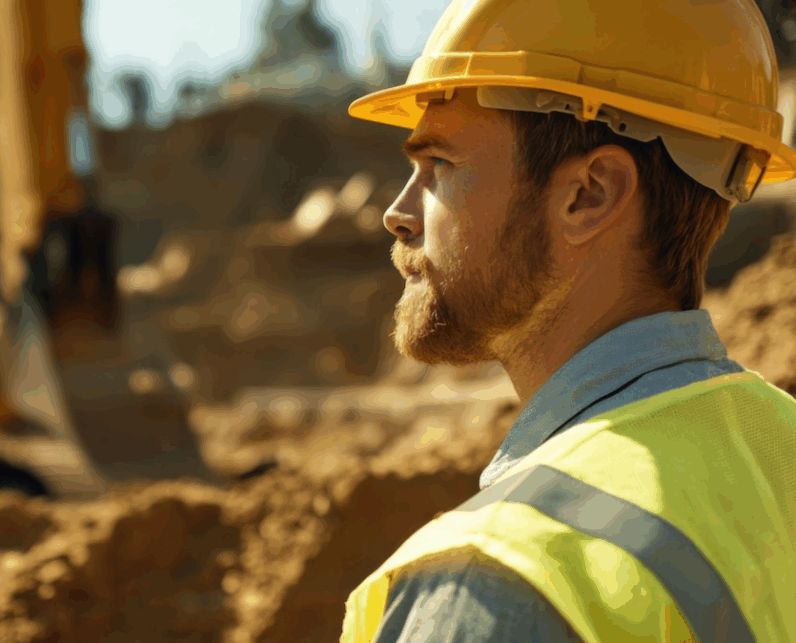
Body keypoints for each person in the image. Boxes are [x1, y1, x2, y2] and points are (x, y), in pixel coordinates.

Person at [340, 0, 796, 641]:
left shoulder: (493, 579)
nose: (397, 213)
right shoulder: (778, 444)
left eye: (439, 164)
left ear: (590, 194)